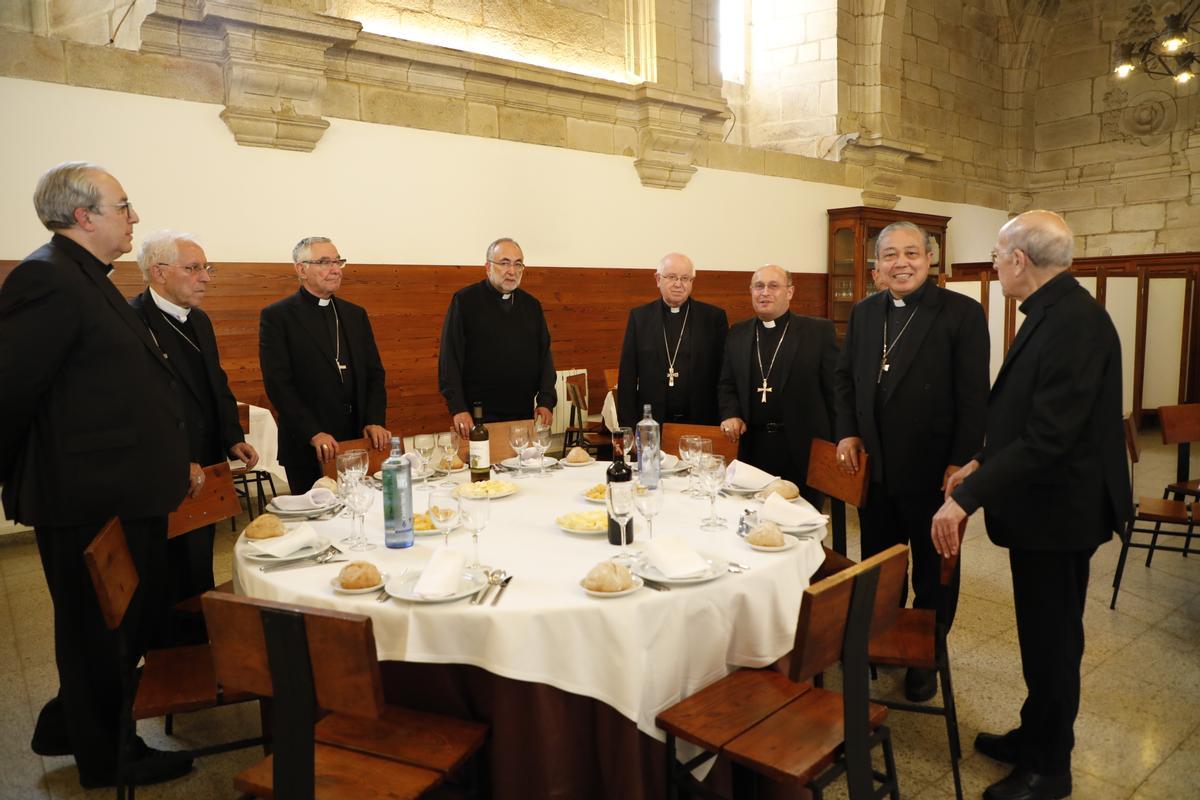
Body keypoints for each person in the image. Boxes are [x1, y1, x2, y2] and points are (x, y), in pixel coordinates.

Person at [0, 162, 193, 787]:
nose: (133, 216)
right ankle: (108, 759)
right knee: (96, 639)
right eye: (123, 205)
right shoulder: (46, 278)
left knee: (116, 634)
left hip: (120, 493)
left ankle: (78, 727)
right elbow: (11, 393)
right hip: (88, 501)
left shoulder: (86, 277)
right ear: (83, 216)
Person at [931, 210, 1132, 800]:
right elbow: (1027, 418)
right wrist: (982, 461)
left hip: (1059, 513)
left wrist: (966, 496)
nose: (993, 264)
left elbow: (1050, 438)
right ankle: (1033, 733)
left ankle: (1050, 768)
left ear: (1020, 259)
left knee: (1053, 642)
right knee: (1040, 636)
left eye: (997, 254)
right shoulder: (1053, 312)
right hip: (1041, 507)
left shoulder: (1074, 324)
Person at [834, 221, 989, 702]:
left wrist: (960, 463)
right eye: (891, 255)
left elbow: (973, 396)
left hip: (932, 472)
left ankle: (927, 654)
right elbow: (845, 381)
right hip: (876, 470)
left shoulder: (961, 313)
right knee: (881, 565)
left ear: (929, 260)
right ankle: (883, 635)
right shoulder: (864, 314)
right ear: (876, 266)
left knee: (932, 571)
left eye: (912, 253)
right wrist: (848, 432)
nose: (902, 263)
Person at [131, 230, 259, 629]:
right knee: (168, 570)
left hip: (208, 462)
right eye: (194, 268)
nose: (205, 277)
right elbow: (139, 407)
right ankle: (172, 655)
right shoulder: (134, 322)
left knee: (199, 557)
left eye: (207, 268)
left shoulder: (199, 320)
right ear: (159, 272)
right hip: (166, 469)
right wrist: (177, 460)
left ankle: (204, 640)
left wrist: (233, 436)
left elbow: (215, 384)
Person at [259, 237, 390, 493]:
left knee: (361, 510)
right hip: (309, 443)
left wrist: (375, 420)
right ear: (301, 269)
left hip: (357, 437)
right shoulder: (278, 317)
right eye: (324, 262)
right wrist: (313, 432)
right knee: (317, 524)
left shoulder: (355, 315)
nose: (335, 269)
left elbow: (375, 373)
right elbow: (278, 384)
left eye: (337, 261)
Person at [718, 264, 837, 507]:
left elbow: (835, 391)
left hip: (802, 448)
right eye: (758, 286)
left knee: (803, 522)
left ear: (790, 292)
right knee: (750, 518)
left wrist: (836, 442)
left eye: (774, 286)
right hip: (753, 448)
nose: (765, 293)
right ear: (751, 291)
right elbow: (727, 383)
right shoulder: (738, 333)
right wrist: (731, 414)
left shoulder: (818, 331)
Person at [439, 237, 556, 436]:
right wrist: (457, 407)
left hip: (522, 412)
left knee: (523, 464)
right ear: (488, 267)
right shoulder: (465, 301)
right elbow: (450, 358)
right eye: (504, 263)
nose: (512, 271)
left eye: (518, 264)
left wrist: (546, 400)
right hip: (478, 414)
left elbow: (544, 356)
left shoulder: (532, 306)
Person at [616, 252, 728, 427]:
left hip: (702, 419)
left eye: (685, 278)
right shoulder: (640, 318)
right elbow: (627, 376)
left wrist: (725, 416)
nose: (678, 284)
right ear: (658, 279)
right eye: (672, 277)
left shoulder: (713, 318)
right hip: (651, 422)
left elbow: (725, 374)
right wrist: (628, 427)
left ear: (692, 281)